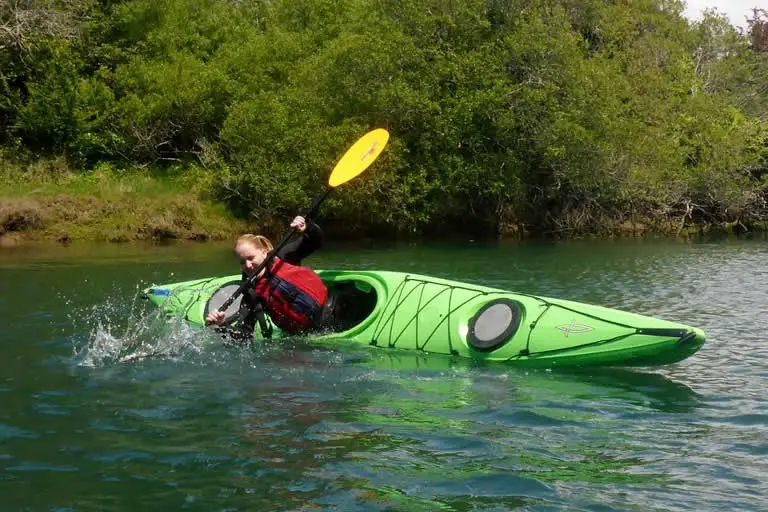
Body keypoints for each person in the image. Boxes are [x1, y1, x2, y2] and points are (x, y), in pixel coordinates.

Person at [206, 215, 330, 343]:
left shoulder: (283, 256)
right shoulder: (250, 291)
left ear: (264, 251)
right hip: (302, 335)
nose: (248, 265)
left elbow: (316, 242)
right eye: (242, 262)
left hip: (330, 311)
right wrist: (222, 325)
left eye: (251, 258)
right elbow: (244, 335)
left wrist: (307, 227)